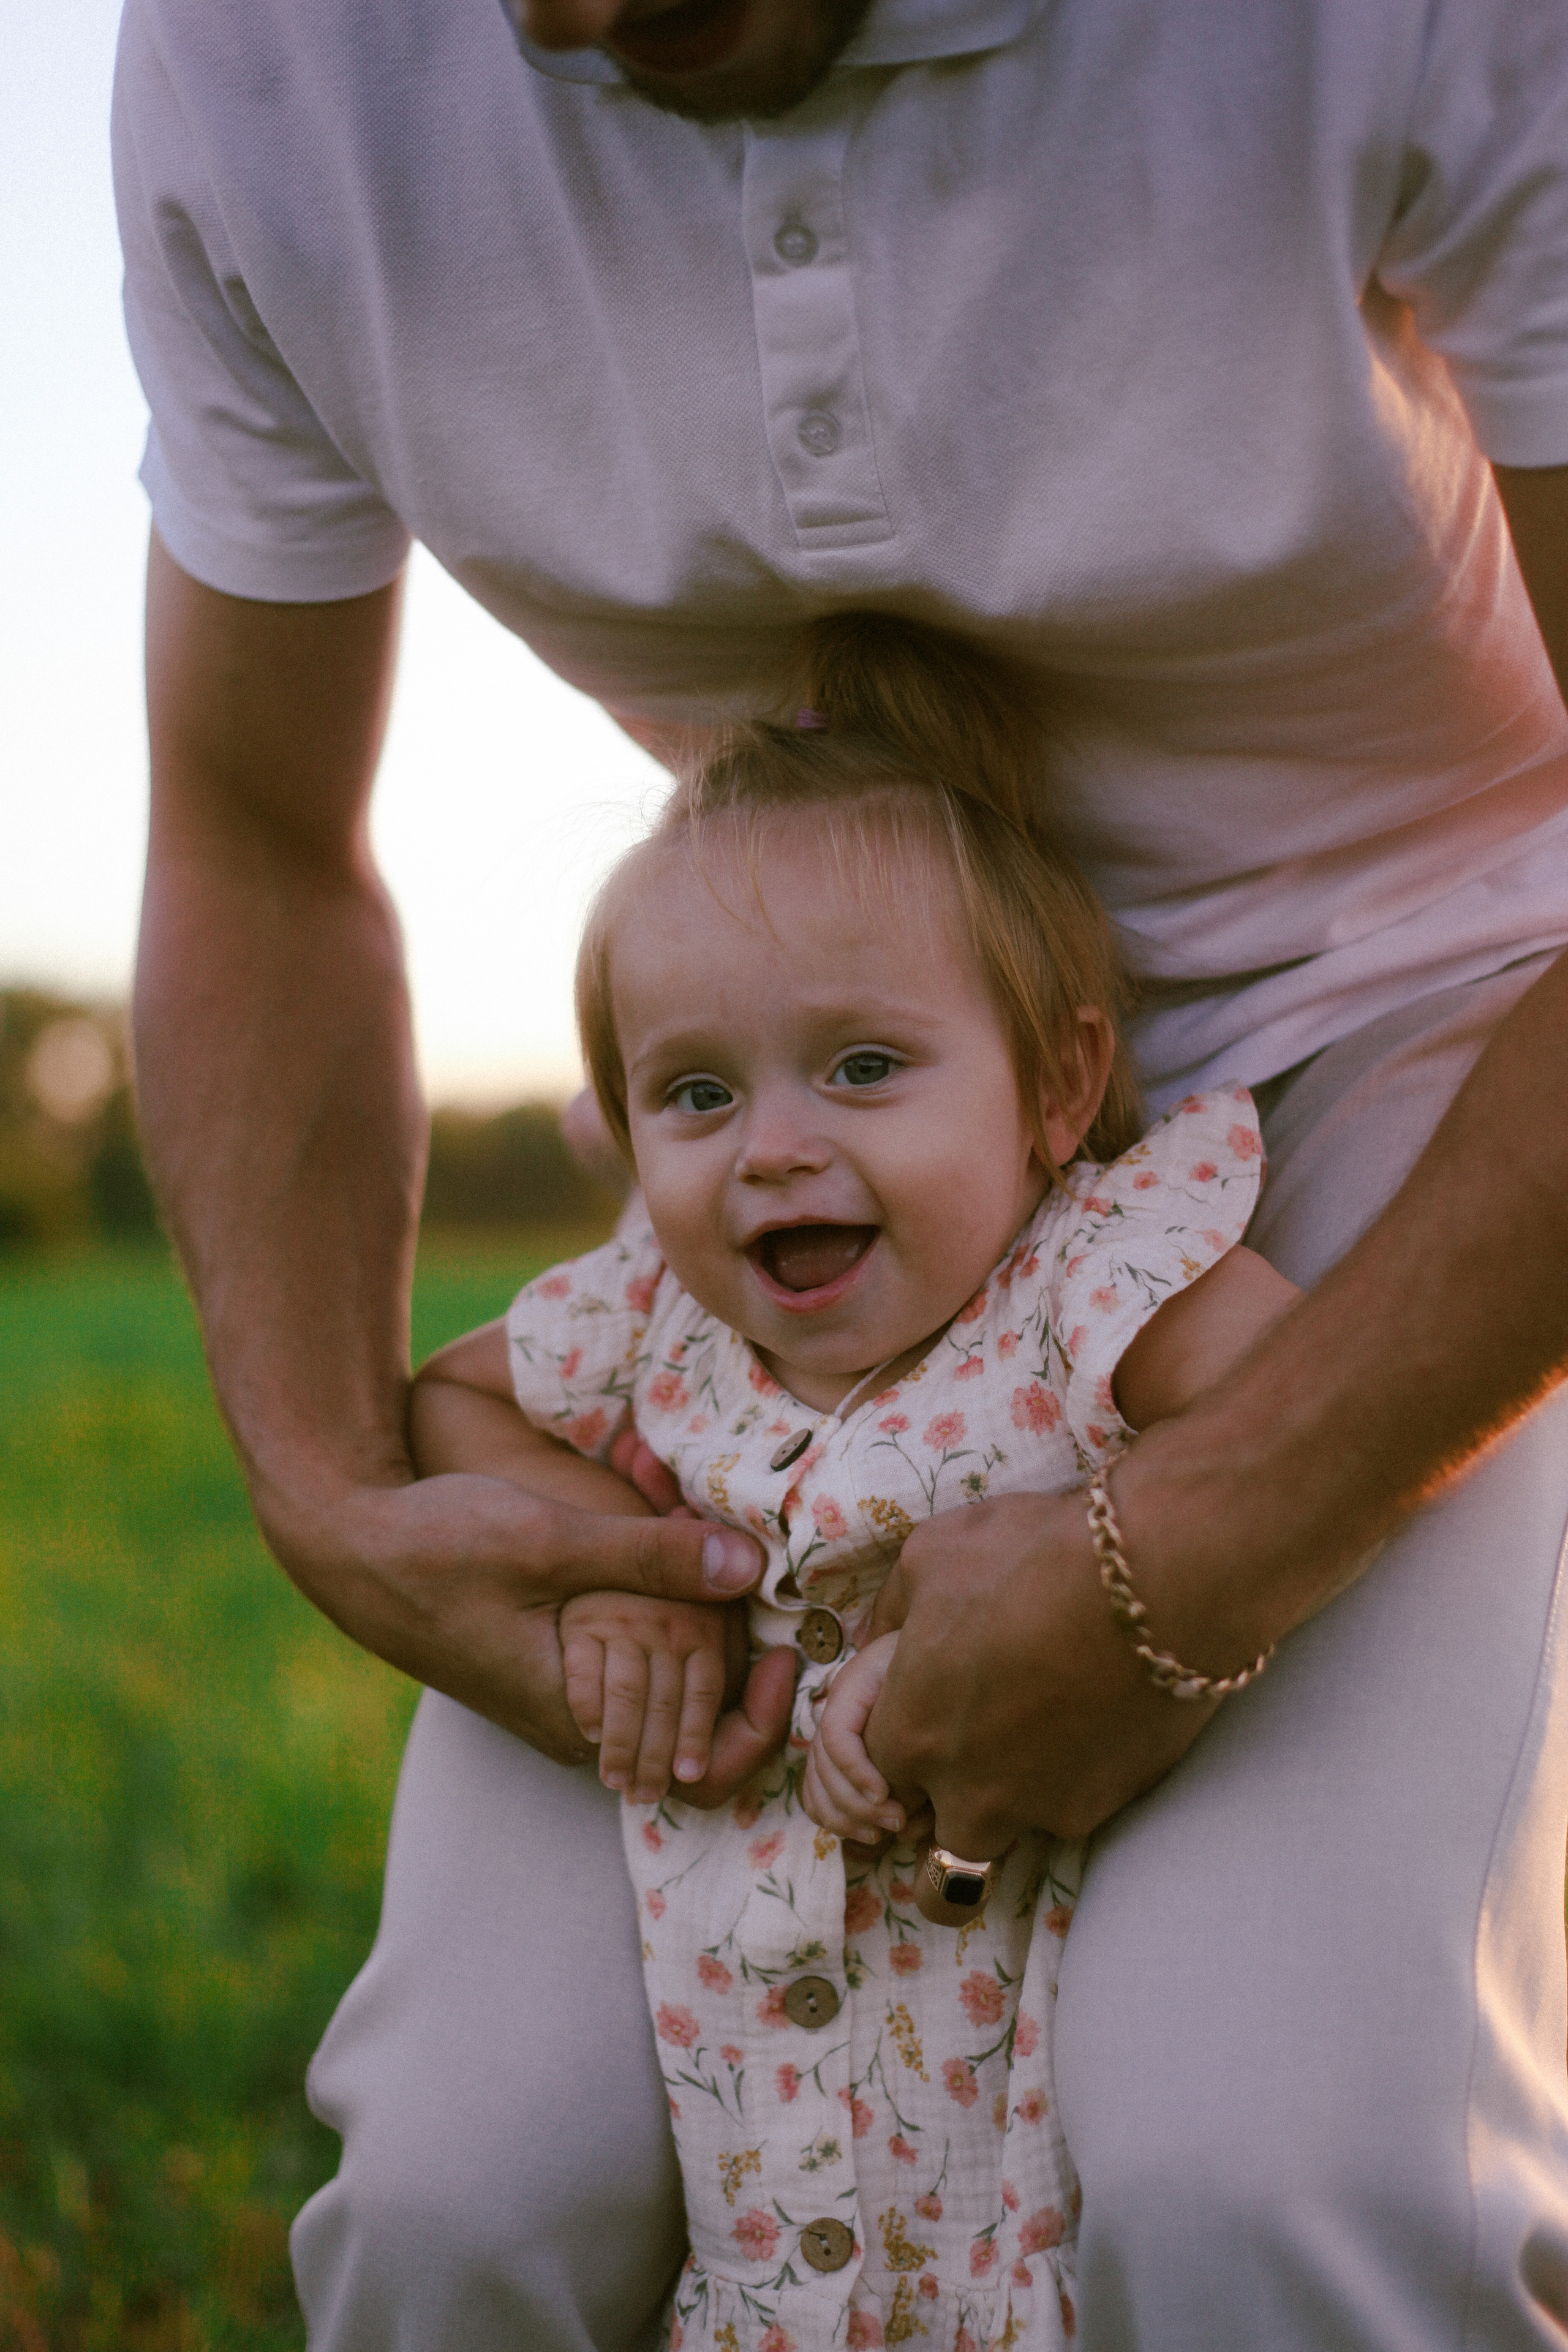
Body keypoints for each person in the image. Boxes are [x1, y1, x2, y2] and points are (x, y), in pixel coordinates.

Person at [111, 0, 1568, 2342]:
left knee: (1283, 2176)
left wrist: (1192, 1539)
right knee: (467, 2196)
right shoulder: (253, 66)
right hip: (850, 1105)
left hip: (1459, 1028)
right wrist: (333, 1490)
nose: (574, 19)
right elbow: (258, 840)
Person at [407, 622, 1297, 2346]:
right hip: (765, 2189)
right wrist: (615, 1573)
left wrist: (1091, 1555)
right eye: (694, 1092)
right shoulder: (652, 1326)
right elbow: (450, 1402)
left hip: (1009, 2165)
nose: (777, 1146)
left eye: (866, 1067)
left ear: (1055, 1088)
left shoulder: (1081, 1280)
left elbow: (1282, 1399)